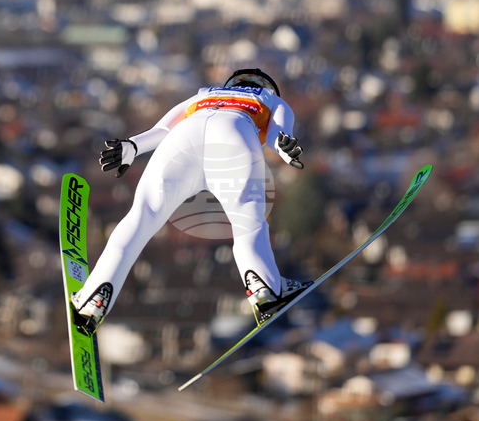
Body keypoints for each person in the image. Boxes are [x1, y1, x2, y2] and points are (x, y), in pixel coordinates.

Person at [70, 68, 311, 334]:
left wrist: (133, 146)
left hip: (183, 138)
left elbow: (163, 128)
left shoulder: (205, 94)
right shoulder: (271, 99)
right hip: (234, 136)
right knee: (248, 224)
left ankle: (94, 298)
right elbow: (280, 133)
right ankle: (265, 289)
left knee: (142, 216)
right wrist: (285, 149)